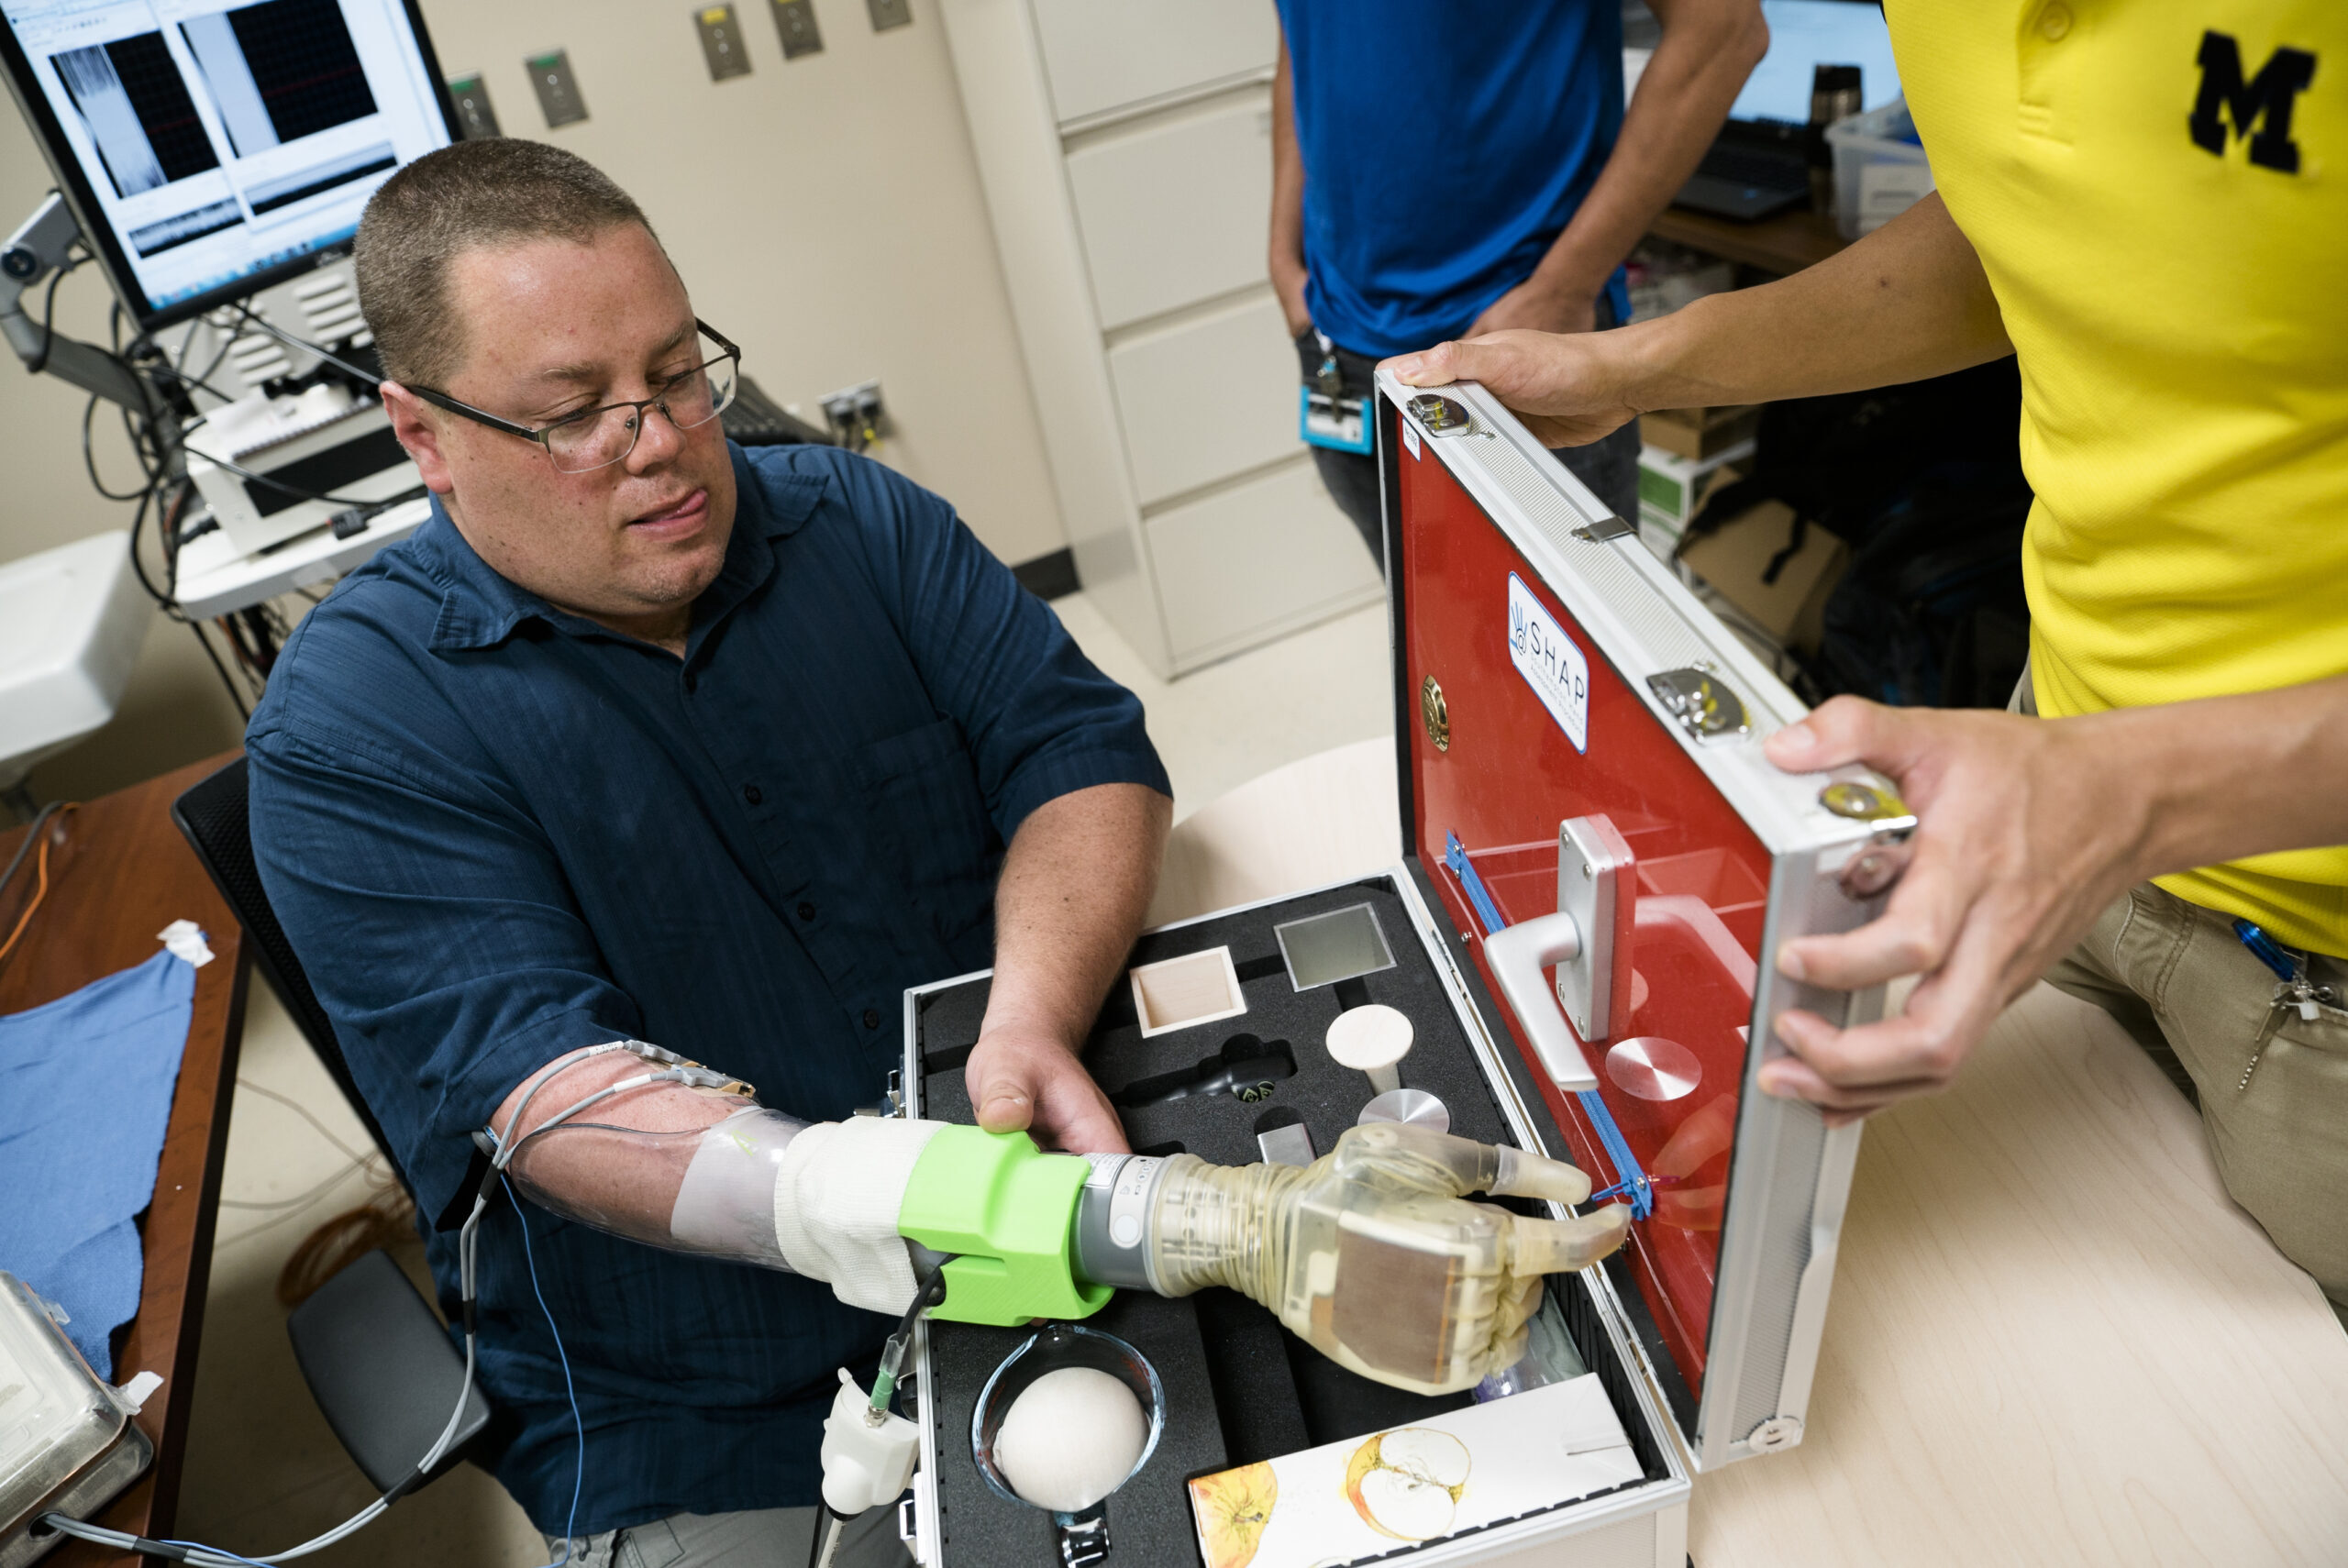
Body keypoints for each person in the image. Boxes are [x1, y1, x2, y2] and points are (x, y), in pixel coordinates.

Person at [249, 140, 1626, 1568]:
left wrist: (1029, 1013)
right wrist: (1160, 1214)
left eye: (674, 373)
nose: (656, 439)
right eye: (574, 415)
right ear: (425, 435)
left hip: (1055, 1204)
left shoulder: (856, 524)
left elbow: (1078, 754)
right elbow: (558, 1102)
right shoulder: (352, 733)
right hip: (717, 1393)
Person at [1390, 5, 2348, 1328]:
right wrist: (1648, 361)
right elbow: (2040, 217)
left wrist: (2135, 786)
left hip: (2317, 965)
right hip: (2048, 791)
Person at [1271, 0, 1768, 560]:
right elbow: (1303, 42)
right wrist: (1282, 255)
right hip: (1337, 343)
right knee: (1423, 626)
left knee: (1579, 634)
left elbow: (1724, 31)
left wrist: (1564, 287)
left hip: (1523, 350)